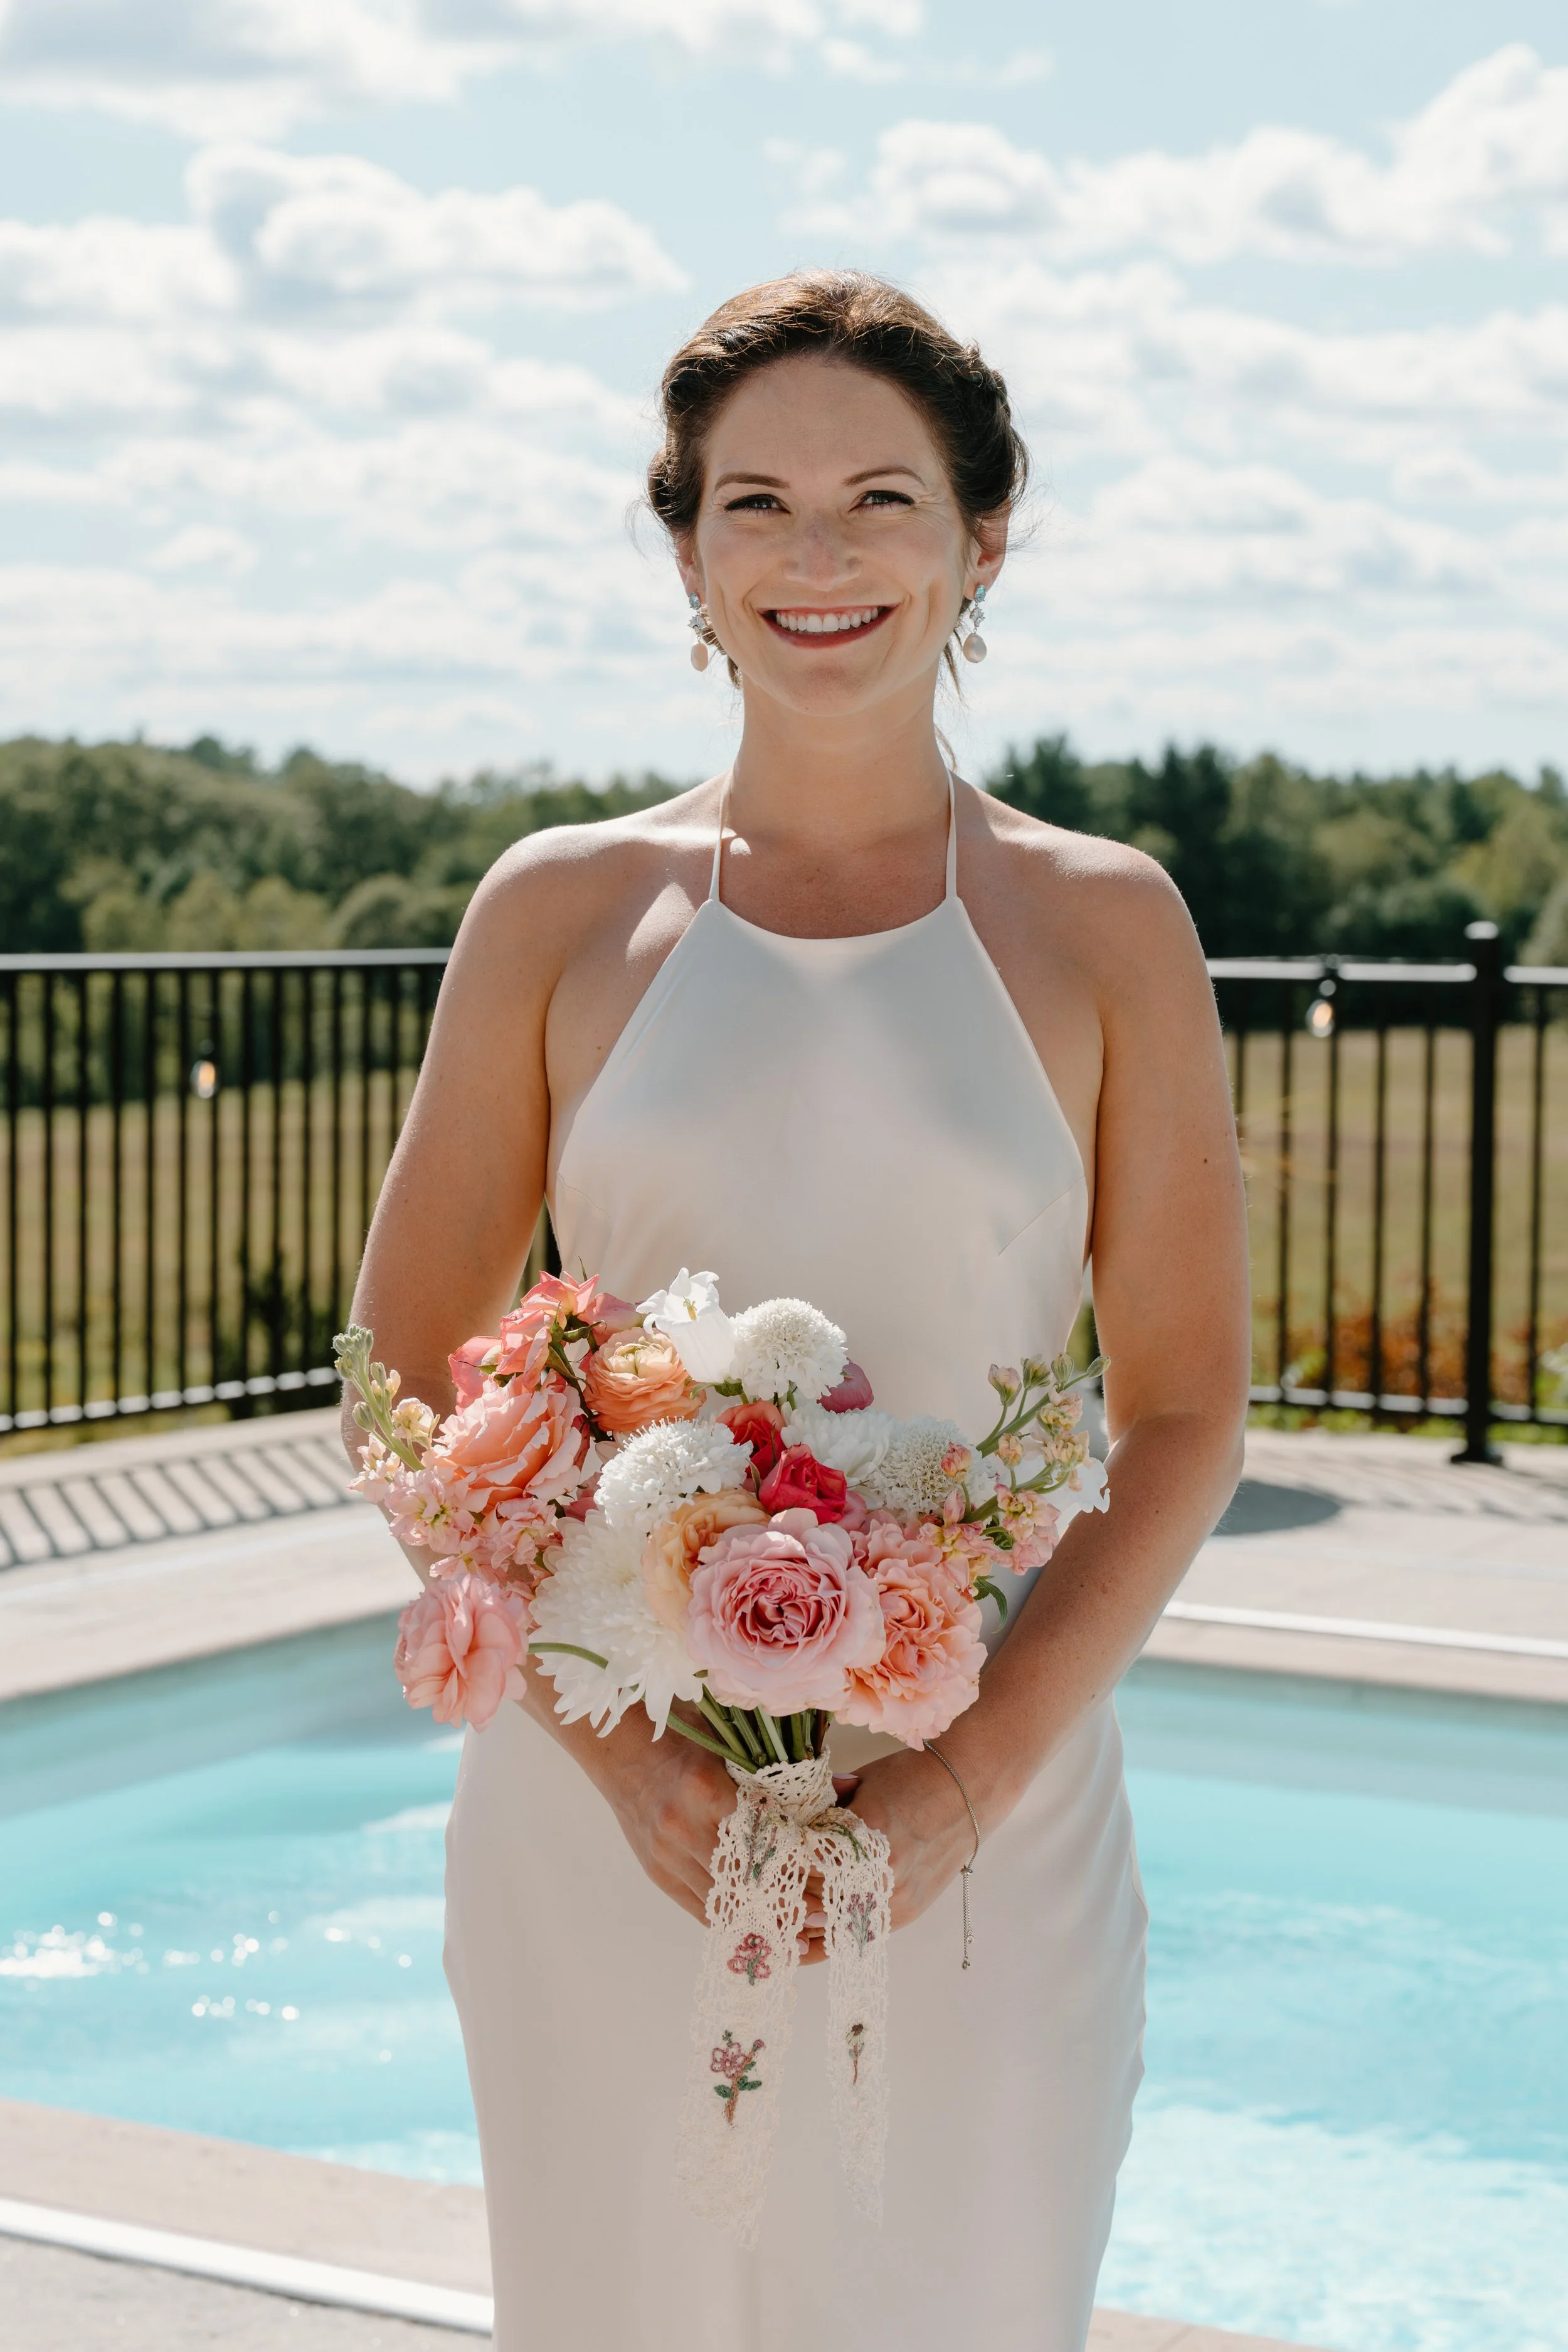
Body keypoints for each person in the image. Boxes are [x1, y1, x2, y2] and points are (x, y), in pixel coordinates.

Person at [347, 270, 1250, 2352]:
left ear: (980, 536)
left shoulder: (1107, 923)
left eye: (879, 499)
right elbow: (400, 1376)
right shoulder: (560, 909)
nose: (816, 556)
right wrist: (618, 1752)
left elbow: (1189, 1408)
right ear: (683, 546)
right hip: (608, 1834)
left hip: (985, 1835)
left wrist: (957, 1788)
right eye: (752, 502)